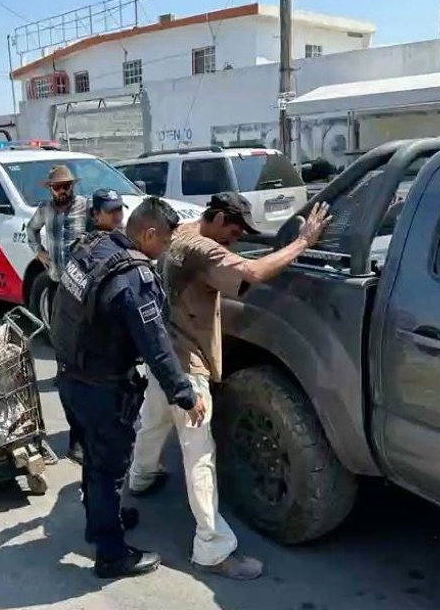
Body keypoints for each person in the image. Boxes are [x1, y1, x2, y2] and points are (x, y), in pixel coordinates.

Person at [126, 191, 332, 581]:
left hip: (162, 355)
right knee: (200, 455)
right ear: (217, 219)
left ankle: (141, 476)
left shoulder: (180, 233)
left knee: (152, 424)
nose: (235, 238)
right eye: (234, 230)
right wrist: (304, 242)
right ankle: (211, 549)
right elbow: (252, 274)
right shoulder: (204, 250)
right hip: (187, 367)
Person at [51, 197, 207, 580]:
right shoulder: (133, 278)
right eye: (166, 243)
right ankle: (111, 553)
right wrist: (185, 395)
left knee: (94, 459)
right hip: (102, 389)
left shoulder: (93, 248)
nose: (166, 250)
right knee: (109, 469)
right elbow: (156, 346)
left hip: (71, 376)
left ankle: (103, 520)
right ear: (149, 234)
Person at [61, 187, 127, 466]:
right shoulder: (90, 248)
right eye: (110, 211)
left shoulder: (110, 243)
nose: (117, 215)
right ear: (95, 214)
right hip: (78, 335)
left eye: (119, 209)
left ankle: (84, 445)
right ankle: (82, 445)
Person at [25, 164, 91, 288]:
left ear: (72, 187)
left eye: (65, 186)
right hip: (55, 277)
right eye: (57, 187)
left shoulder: (85, 206)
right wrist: (39, 251)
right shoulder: (45, 208)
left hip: (79, 279)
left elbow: (99, 234)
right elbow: (31, 229)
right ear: (50, 189)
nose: (62, 191)